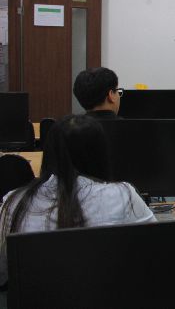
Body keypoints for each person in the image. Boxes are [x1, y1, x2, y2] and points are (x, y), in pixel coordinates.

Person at [0, 115, 155, 285]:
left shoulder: (13, 202)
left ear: (49, 151)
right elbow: (156, 249)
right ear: (101, 154)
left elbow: (3, 272)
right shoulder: (122, 195)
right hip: (106, 294)